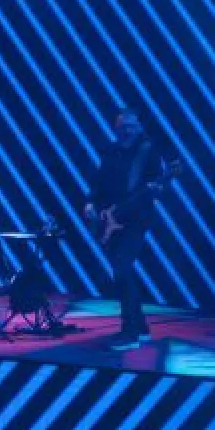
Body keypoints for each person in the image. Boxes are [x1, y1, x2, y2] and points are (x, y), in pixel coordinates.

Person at [84, 110, 170, 351]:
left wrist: (156, 190)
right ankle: (140, 327)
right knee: (122, 272)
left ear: (139, 127)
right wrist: (90, 203)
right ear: (115, 128)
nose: (127, 131)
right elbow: (98, 182)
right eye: (122, 127)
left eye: (131, 126)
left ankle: (129, 332)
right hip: (109, 219)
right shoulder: (110, 151)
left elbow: (156, 186)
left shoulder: (148, 152)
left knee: (122, 270)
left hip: (135, 221)